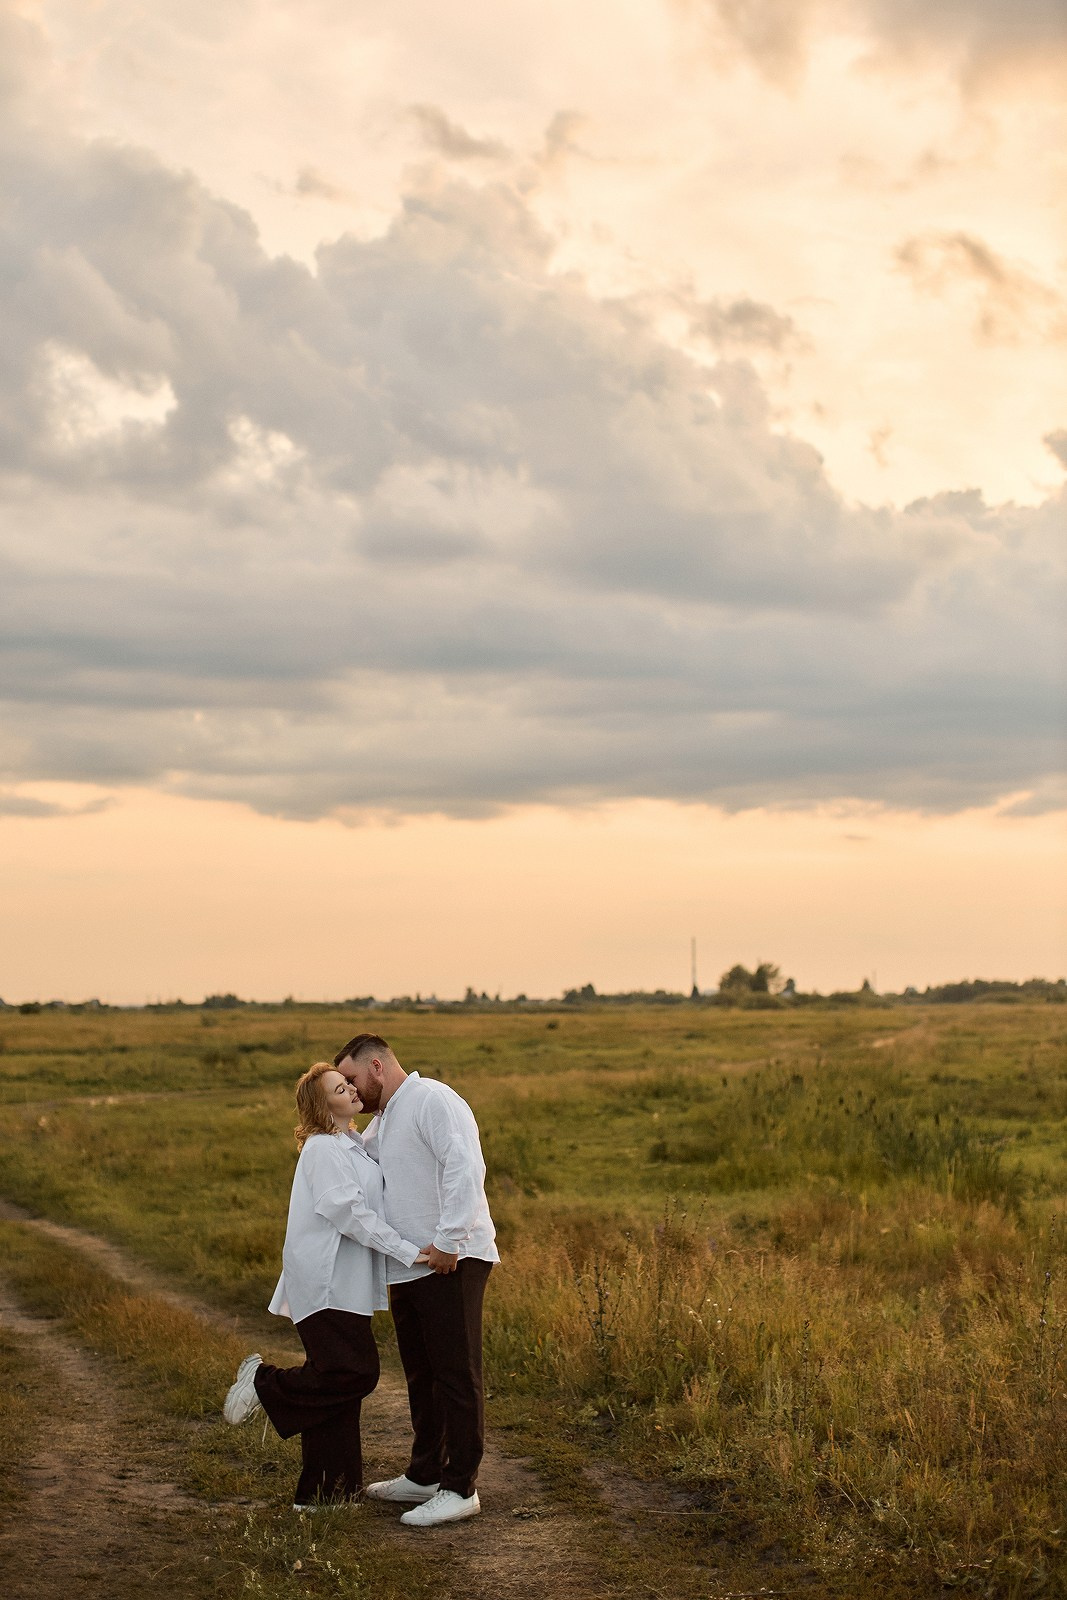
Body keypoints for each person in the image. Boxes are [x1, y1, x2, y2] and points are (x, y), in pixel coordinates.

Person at [222, 1062, 427, 1509]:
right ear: (322, 1105)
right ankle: (263, 1382)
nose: (352, 1090)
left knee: (339, 1386)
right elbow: (348, 1214)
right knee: (354, 1373)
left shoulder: (352, 1146)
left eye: (348, 1083)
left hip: (348, 1283)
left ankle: (325, 1494)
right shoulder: (321, 1150)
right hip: (326, 1279)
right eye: (340, 1088)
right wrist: (407, 1250)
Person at [333, 1032, 498, 1528]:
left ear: (378, 1067)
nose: (353, 1091)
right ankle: (426, 1475)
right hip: (411, 1265)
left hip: (453, 1259)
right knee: (422, 1374)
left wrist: (450, 1240)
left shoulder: (431, 1099)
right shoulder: (383, 1121)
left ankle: (460, 1487)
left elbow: (464, 1167)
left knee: (456, 1374)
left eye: (353, 1080)